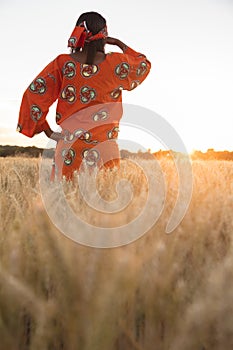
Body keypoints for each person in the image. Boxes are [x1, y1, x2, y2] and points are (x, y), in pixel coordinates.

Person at [17, 11, 151, 180]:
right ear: (105, 35)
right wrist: (118, 43)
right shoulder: (117, 64)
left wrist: (47, 131)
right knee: (103, 202)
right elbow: (143, 64)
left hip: (68, 150)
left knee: (64, 202)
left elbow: (33, 94)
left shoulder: (63, 63)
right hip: (105, 152)